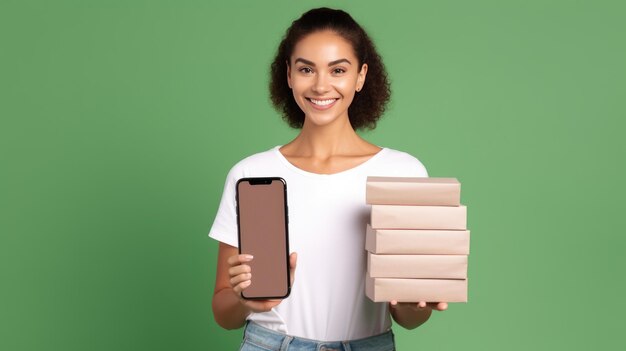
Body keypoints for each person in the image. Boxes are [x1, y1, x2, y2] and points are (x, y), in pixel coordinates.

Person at [209, 7, 447, 350]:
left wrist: (410, 303)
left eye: (338, 70)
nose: (321, 85)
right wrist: (246, 300)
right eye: (306, 69)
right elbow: (222, 312)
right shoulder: (251, 174)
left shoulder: (403, 172)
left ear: (361, 76)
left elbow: (410, 318)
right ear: (288, 75)